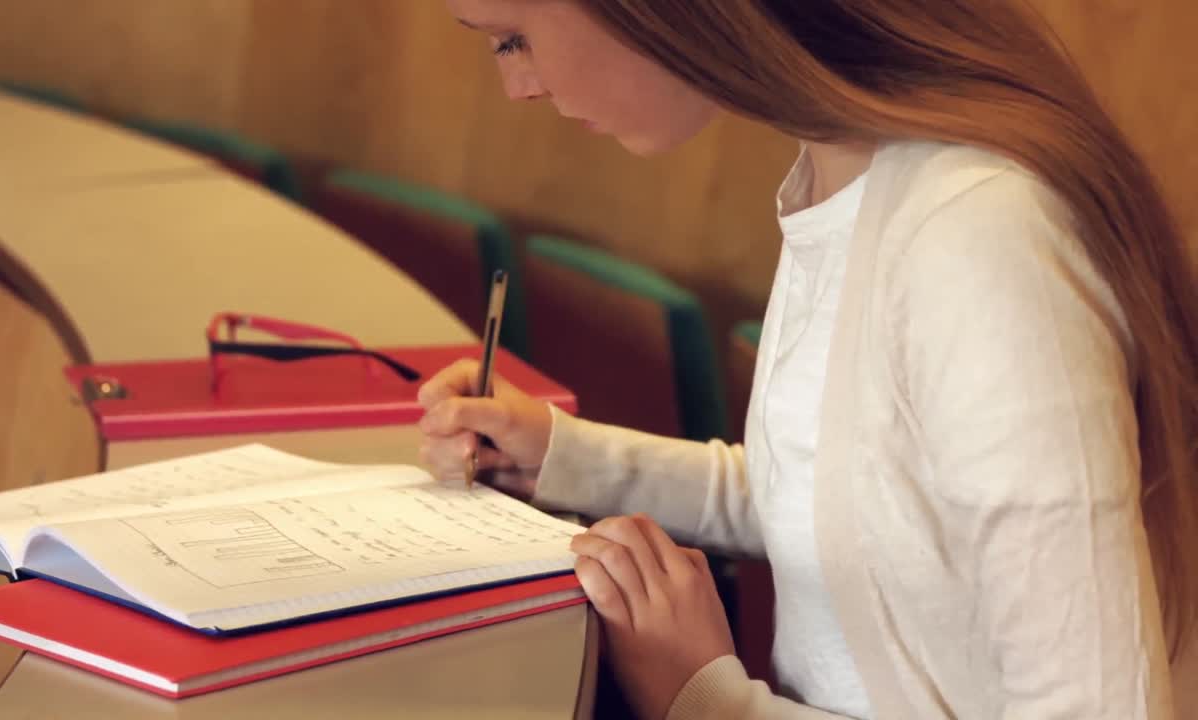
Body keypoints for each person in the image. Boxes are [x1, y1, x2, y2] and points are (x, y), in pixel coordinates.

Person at [419, 1, 1198, 718]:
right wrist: (563, 457)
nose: (516, 85)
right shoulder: (846, 173)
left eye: (511, 38)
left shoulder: (975, 237)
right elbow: (834, 503)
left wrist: (708, 700)